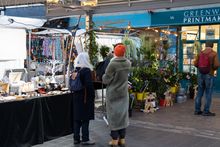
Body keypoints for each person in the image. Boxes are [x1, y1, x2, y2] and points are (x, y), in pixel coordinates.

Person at [102, 44, 131, 147]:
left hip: (113, 94)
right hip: (123, 93)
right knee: (122, 116)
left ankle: (114, 140)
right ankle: (122, 139)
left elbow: (106, 79)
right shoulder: (128, 63)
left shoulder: (112, 64)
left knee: (113, 117)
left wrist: (103, 76)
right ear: (124, 53)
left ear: (115, 52)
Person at [71, 52, 96, 145]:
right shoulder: (86, 70)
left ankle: (76, 138)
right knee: (85, 118)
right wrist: (92, 96)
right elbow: (89, 85)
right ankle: (85, 139)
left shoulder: (75, 70)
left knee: (77, 118)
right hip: (85, 97)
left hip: (76, 97)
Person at [194, 41, 220, 116]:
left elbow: (195, 63)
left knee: (199, 93)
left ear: (205, 45)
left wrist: (201, 68)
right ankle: (206, 111)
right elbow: (217, 65)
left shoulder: (200, 53)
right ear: (212, 45)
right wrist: (212, 69)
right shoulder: (214, 53)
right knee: (208, 93)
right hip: (209, 74)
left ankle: (197, 110)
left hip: (200, 74)